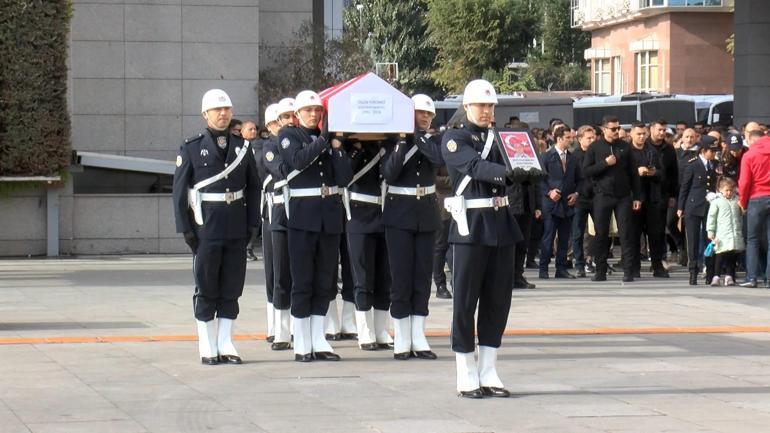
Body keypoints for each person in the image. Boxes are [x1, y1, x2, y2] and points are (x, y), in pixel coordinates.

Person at [442, 79, 539, 399]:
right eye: (482, 106)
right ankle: (465, 371)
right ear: (467, 107)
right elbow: (474, 166)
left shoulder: (500, 137)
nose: (487, 111)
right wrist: (508, 173)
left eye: (491, 106)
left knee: (498, 301)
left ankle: (489, 369)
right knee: (465, 301)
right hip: (472, 225)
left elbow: (520, 159)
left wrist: (528, 165)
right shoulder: (455, 138)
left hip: (500, 223)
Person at [172, 89, 260, 365]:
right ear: (205, 115)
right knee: (207, 285)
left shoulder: (242, 147)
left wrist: (252, 225)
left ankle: (226, 343)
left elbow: (254, 187)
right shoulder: (191, 147)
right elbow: (179, 192)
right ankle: (207, 344)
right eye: (217, 110)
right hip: (206, 226)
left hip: (236, 225)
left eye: (226, 109)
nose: (223, 114)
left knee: (232, 286)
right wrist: (186, 229)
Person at [278, 90, 353, 362]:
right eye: (308, 110)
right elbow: (297, 161)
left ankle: (318, 338)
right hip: (303, 217)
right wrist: (324, 139)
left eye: (317, 110)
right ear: (297, 114)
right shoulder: (288, 136)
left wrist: (338, 150)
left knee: (325, 279)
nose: (313, 114)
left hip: (329, 216)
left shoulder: (329, 141)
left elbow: (345, 178)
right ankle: (302, 341)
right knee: (303, 280)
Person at [381, 93, 444, 361]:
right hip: (399, 213)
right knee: (401, 277)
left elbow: (439, 159)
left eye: (428, 114)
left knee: (421, 278)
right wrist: (403, 140)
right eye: (420, 113)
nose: (425, 117)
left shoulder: (434, 141)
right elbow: (389, 172)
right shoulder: (393, 141)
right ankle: (402, 336)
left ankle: (419, 336)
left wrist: (417, 137)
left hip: (426, 212)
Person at [344, 130, 394, 350]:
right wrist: (355, 147)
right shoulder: (348, 146)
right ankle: (365, 331)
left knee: (385, 276)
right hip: (359, 213)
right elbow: (344, 175)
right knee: (362, 275)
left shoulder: (388, 144)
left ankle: (382, 330)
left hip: (385, 212)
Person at [582, 115, 642, 282]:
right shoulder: (595, 147)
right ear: (604, 129)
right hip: (603, 195)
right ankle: (600, 271)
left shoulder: (625, 147)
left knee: (626, 234)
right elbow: (586, 171)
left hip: (623, 196)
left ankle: (628, 271)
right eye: (613, 128)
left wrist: (637, 196)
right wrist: (605, 164)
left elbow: (633, 173)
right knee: (601, 234)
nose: (616, 131)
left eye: (618, 128)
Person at [261, 99, 295, 351]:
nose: (287, 122)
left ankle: (296, 325)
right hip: (276, 212)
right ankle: (277, 327)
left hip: (298, 211)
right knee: (277, 272)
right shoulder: (269, 147)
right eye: (279, 120)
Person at [538, 124, 581, 279]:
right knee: (548, 238)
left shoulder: (573, 158)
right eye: (568, 138)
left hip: (567, 204)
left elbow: (580, 180)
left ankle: (561, 268)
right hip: (551, 205)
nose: (571, 140)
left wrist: (576, 194)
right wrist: (549, 192)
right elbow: (540, 179)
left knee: (564, 239)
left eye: (572, 137)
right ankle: (543, 269)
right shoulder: (546, 157)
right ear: (559, 138)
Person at [628, 121, 670, 278]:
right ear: (631, 134)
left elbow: (662, 172)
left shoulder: (651, 151)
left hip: (652, 196)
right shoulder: (627, 151)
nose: (641, 137)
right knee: (633, 234)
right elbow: (622, 174)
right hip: (634, 198)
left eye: (643, 134)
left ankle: (657, 266)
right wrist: (636, 172)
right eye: (638, 134)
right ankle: (634, 267)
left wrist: (653, 173)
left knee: (656, 233)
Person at [677, 136, 719, 285]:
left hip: (710, 207)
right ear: (703, 150)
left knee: (710, 239)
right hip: (694, 206)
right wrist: (680, 207)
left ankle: (710, 272)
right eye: (711, 151)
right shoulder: (692, 165)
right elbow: (685, 187)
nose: (714, 154)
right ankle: (693, 272)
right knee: (693, 240)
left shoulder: (715, 164)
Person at [738, 129, 770, 288]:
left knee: (752, 239)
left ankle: (752, 277)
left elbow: (744, 183)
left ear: (751, 140)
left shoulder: (749, 155)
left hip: (756, 198)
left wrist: (743, 203)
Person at [707, 177, 745, 286]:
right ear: (720, 190)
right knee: (720, 255)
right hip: (722, 235)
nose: (729, 192)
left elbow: (742, 214)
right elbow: (711, 217)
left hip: (734, 234)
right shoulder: (717, 202)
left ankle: (729, 276)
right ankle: (716, 276)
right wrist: (710, 230)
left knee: (732, 256)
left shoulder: (737, 201)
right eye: (726, 190)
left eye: (731, 190)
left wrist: (742, 207)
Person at [571, 125, 597, 277]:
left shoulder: (597, 153)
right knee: (578, 233)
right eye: (589, 138)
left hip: (596, 197)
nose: (592, 140)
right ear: (580, 139)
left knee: (600, 231)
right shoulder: (575, 156)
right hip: (580, 198)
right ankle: (579, 263)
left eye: (594, 137)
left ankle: (594, 259)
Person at [243, 120, 262, 262]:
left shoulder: (261, 146)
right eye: (250, 129)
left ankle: (249, 247)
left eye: (255, 129)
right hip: (241, 190)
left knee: (255, 219)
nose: (254, 132)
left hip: (257, 188)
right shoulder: (237, 147)